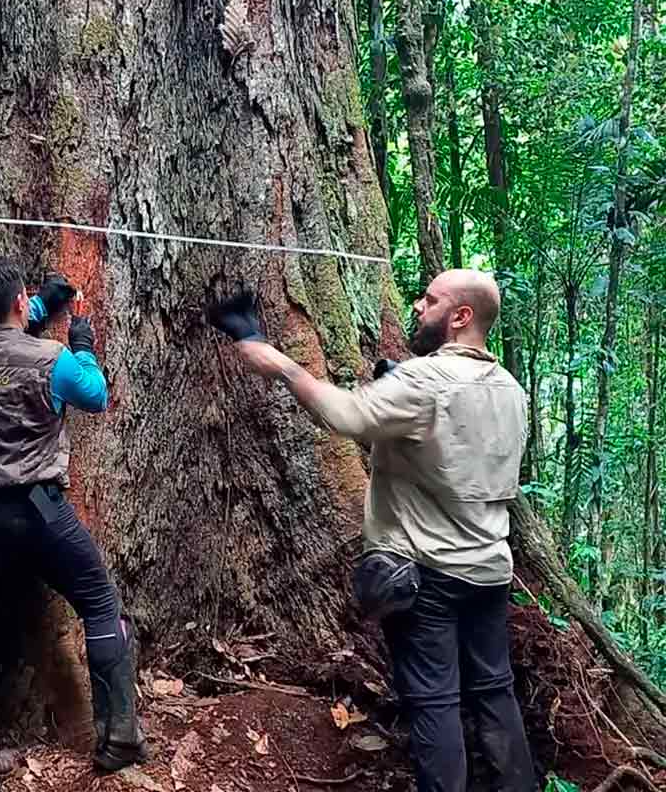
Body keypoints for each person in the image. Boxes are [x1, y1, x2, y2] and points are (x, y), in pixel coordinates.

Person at [211, 269, 536, 792]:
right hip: (490, 572)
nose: (415, 306)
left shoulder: (423, 383)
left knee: (435, 703)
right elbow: (446, 443)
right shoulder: (512, 390)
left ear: (460, 317)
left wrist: (276, 361)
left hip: (428, 578)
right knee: (494, 692)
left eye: (429, 301)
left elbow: (346, 416)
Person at [0, 257, 148, 792]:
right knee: (100, 604)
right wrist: (80, 340)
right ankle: (119, 735)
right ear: (16, 301)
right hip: (35, 511)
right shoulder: (51, 360)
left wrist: (38, 306)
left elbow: (0, 351)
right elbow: (95, 397)